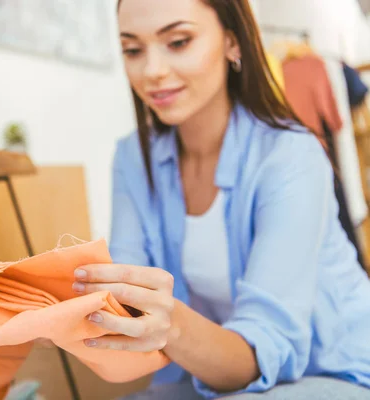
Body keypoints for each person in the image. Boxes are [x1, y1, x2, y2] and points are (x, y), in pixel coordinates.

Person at [71, 0, 370, 398]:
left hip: (333, 369)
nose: (152, 71)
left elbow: (260, 351)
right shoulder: (132, 157)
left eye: (178, 42)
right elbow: (129, 298)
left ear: (233, 41)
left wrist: (170, 326)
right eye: (132, 50)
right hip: (209, 373)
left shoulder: (291, 156)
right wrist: (59, 309)